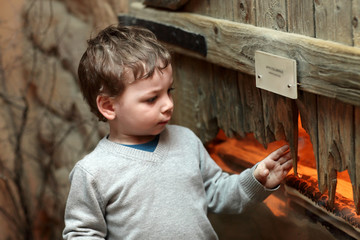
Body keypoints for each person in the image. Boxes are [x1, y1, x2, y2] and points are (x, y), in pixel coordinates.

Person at [63, 25, 293, 240]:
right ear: (109, 106)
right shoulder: (93, 172)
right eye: (152, 98)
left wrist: (256, 180)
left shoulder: (186, 141)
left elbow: (216, 191)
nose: (168, 104)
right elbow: (82, 232)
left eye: (169, 91)